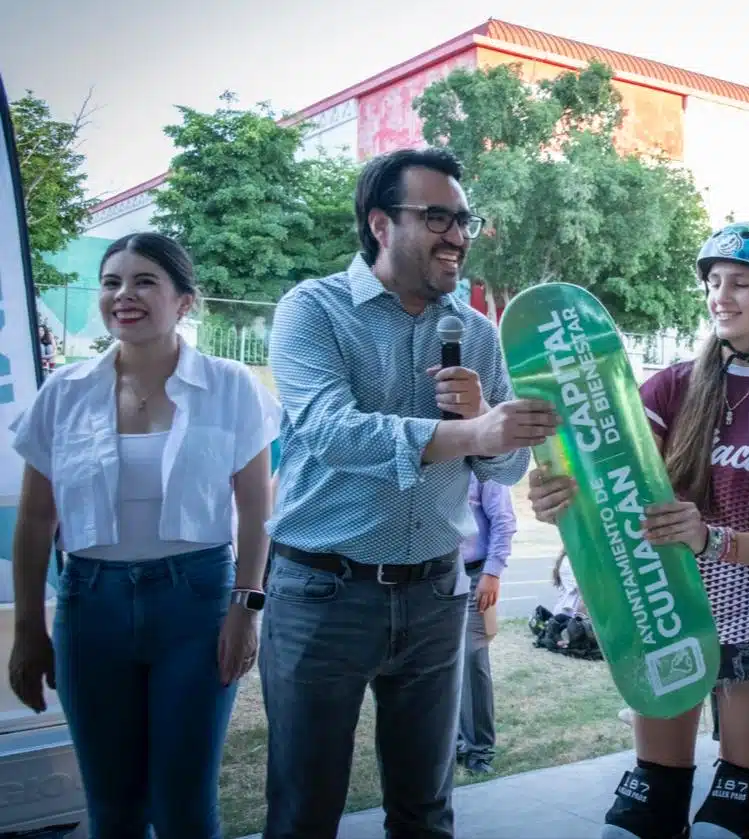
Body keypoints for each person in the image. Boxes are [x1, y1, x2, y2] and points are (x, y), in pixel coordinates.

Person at [260, 147, 558, 839]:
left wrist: (489, 423)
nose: (456, 234)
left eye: (462, 219)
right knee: (304, 811)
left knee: (426, 812)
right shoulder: (312, 310)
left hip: (434, 597)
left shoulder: (479, 334)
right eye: (436, 217)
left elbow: (503, 475)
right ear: (379, 223)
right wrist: (469, 432)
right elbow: (336, 433)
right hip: (321, 596)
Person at [528, 221, 749, 839]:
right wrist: (562, 502)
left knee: (735, 822)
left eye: (741, 283)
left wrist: (710, 538)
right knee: (643, 817)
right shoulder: (671, 385)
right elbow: (613, 491)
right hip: (663, 611)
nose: (720, 295)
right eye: (714, 282)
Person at [7, 232, 278, 838]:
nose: (123, 295)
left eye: (144, 281)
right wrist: (29, 624)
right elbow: (34, 521)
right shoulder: (65, 394)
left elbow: (257, 508)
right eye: (112, 282)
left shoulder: (230, 387)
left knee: (184, 804)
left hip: (197, 605)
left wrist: (246, 607)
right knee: (112, 806)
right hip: (90, 606)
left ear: (184, 301)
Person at [455, 473, 516, 776]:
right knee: (434, 664)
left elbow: (504, 519)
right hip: (430, 578)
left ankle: (479, 751)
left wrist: (492, 573)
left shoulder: (485, 458)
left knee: (472, 658)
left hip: (474, 575)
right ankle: (452, 743)